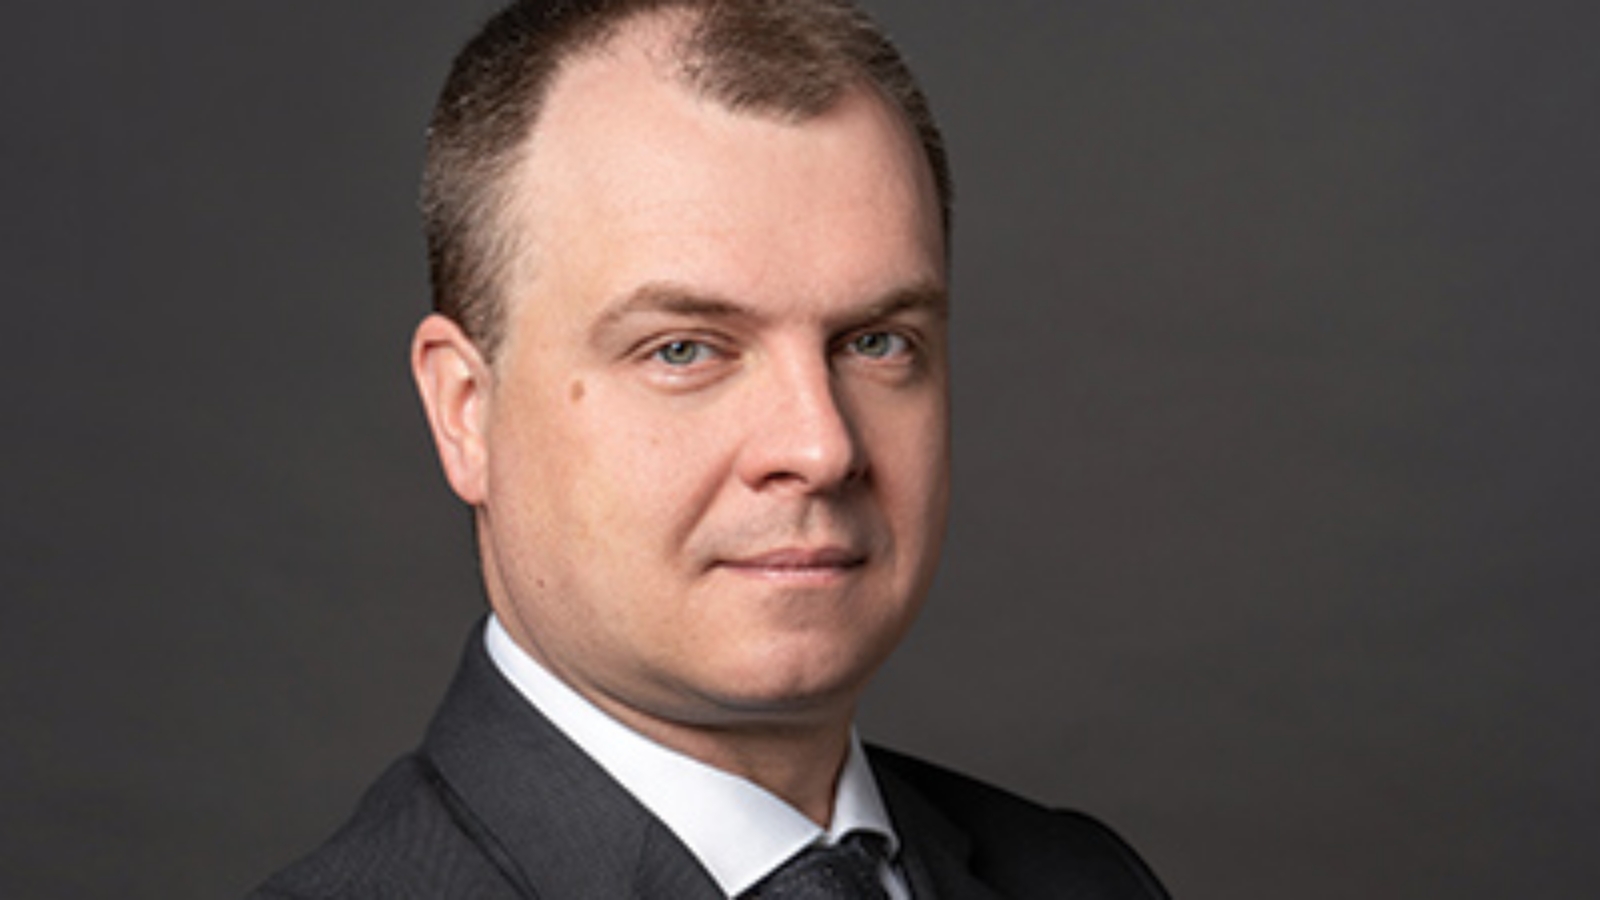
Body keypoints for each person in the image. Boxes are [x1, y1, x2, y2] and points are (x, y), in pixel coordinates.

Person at [251, 1, 1169, 897]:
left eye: (876, 342)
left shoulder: (1082, 878)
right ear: (465, 411)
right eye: (684, 350)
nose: (821, 446)